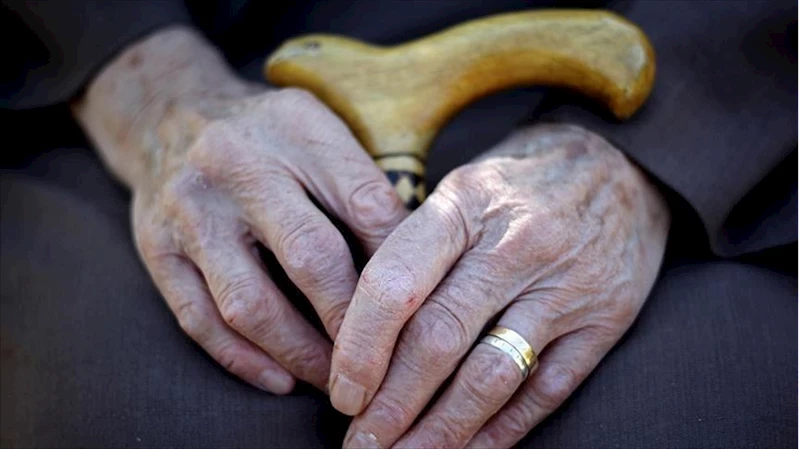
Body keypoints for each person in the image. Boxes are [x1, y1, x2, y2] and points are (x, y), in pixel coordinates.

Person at [1, 1, 795, 448]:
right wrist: (151, 89)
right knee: (131, 415)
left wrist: (642, 154)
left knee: (693, 407)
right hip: (156, 87)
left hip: (672, 119)